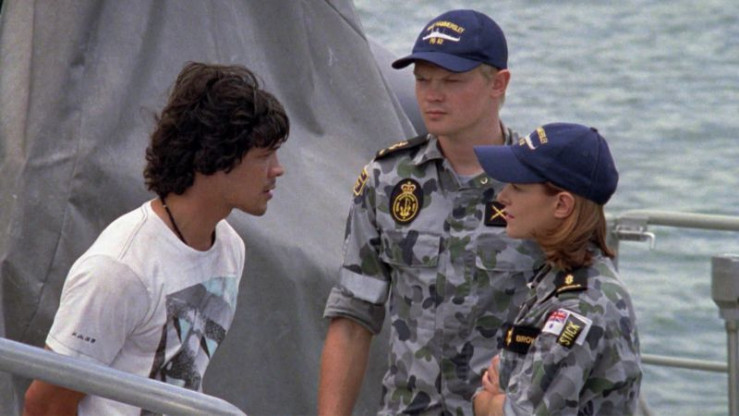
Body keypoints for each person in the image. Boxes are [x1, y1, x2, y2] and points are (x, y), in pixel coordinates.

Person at [22, 62, 289, 415]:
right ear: (213, 157)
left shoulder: (229, 249)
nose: (278, 169)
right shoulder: (119, 269)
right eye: (263, 156)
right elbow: (45, 404)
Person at [318, 9, 543, 415]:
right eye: (423, 80)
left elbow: (578, 319)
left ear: (498, 83)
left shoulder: (541, 187)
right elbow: (353, 316)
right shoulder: (387, 181)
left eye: (452, 81)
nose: (432, 95)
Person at [471, 122, 641, 415]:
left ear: (562, 205)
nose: (502, 197)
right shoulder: (558, 277)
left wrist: (488, 402)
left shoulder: (579, 308)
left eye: (518, 187)